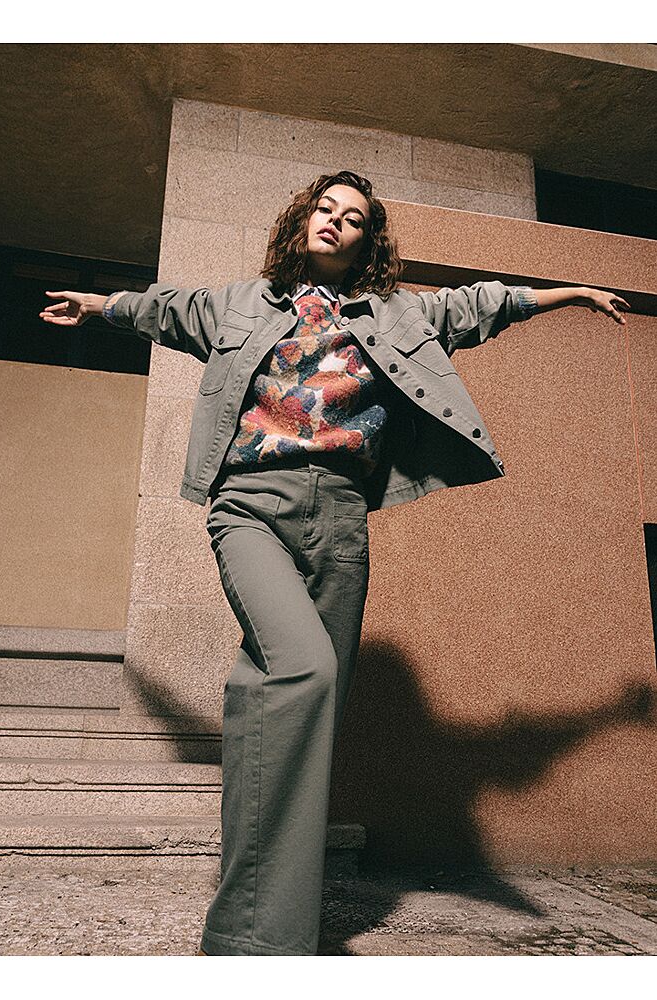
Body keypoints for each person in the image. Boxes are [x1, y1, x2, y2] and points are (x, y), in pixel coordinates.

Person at [40, 170, 630, 956]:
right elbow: (163, 309)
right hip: (251, 505)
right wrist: (99, 305)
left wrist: (571, 291)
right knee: (303, 670)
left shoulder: (399, 315)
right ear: (303, 220)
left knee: (295, 713)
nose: (335, 222)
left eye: (352, 218)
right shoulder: (239, 305)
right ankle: (259, 937)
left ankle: (260, 934)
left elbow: (482, 304)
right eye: (325, 208)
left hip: (342, 522)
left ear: (366, 241)